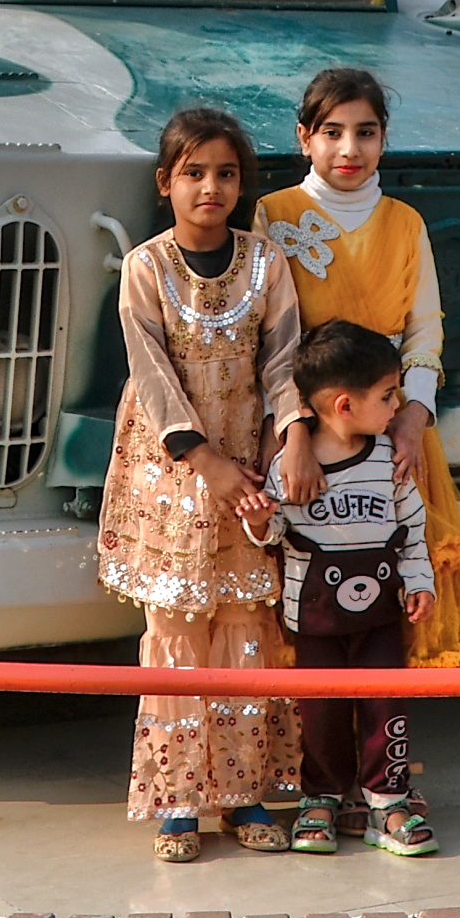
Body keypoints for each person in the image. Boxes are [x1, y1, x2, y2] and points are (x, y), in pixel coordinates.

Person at [98, 105, 303, 861]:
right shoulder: (145, 267)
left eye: (224, 174)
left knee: (245, 630)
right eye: (193, 174)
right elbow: (150, 375)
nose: (209, 187)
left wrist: (293, 441)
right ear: (165, 183)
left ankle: (243, 796)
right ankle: (178, 801)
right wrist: (205, 464)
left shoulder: (265, 262)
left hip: (250, 466)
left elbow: (282, 362)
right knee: (179, 632)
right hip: (171, 469)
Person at [256, 67, 460, 684]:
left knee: (393, 580)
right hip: (307, 433)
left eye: (365, 133)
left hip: (391, 426)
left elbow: (425, 327)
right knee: (307, 586)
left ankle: (382, 740)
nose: (349, 149)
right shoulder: (273, 213)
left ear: (383, 140)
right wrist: (290, 433)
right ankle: (315, 744)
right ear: (304, 137)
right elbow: (270, 339)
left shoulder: (405, 221)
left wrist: (413, 415)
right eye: (332, 132)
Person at [260, 321, 436, 857]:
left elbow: (413, 530)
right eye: (387, 396)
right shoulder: (290, 467)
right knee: (322, 712)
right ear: (343, 405)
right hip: (314, 618)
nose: (395, 406)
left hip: (382, 616)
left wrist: (420, 581)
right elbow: (272, 535)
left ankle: (388, 802)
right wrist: (258, 517)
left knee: (387, 706)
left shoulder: (391, 461)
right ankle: (322, 798)